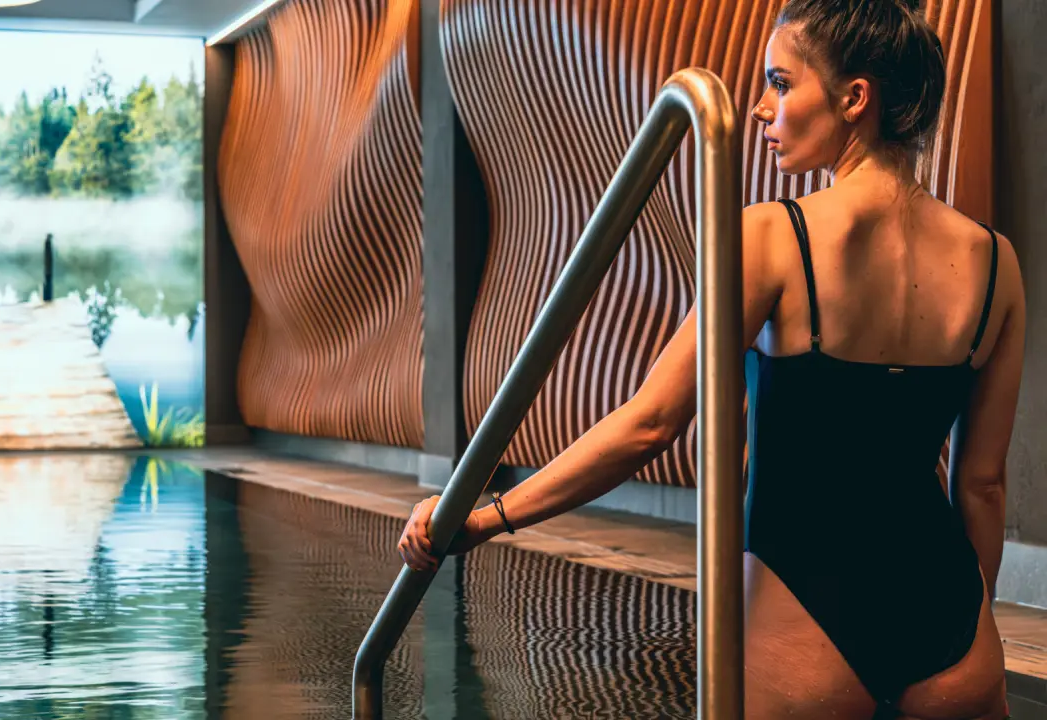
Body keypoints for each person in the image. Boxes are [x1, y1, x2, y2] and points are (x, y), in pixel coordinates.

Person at [396, 0, 1025, 718]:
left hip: (803, 619)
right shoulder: (996, 263)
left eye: (781, 83)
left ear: (856, 98)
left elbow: (650, 424)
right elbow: (981, 486)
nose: (760, 108)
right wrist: (969, 621)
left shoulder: (770, 239)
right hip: (950, 622)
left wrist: (487, 517)